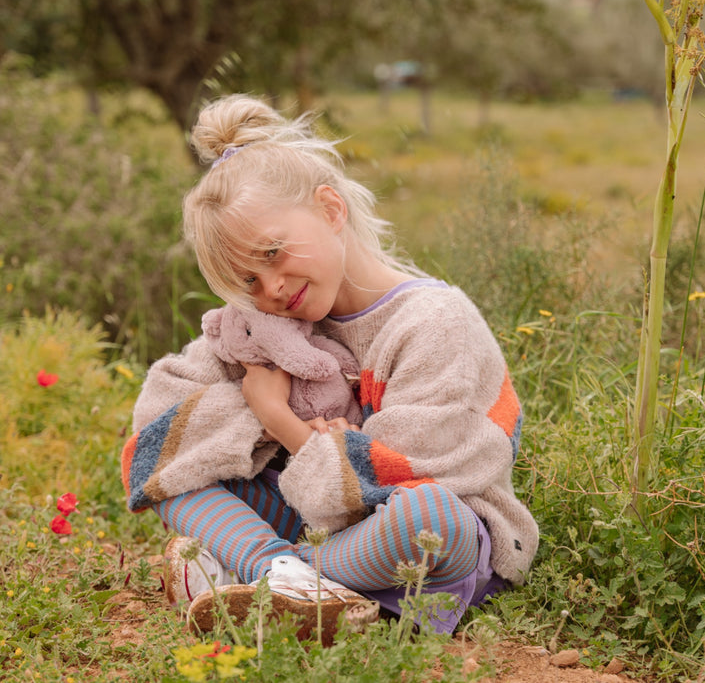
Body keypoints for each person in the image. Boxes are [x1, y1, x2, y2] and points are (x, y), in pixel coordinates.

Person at [120, 94, 538, 638]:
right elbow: (156, 426)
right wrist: (279, 431)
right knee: (164, 457)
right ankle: (287, 577)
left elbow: (408, 476)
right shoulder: (258, 325)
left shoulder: (434, 321)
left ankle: (252, 574)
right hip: (315, 531)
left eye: (272, 253)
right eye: (247, 280)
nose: (269, 288)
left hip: (424, 544)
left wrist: (278, 420)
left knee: (429, 516)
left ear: (330, 210)